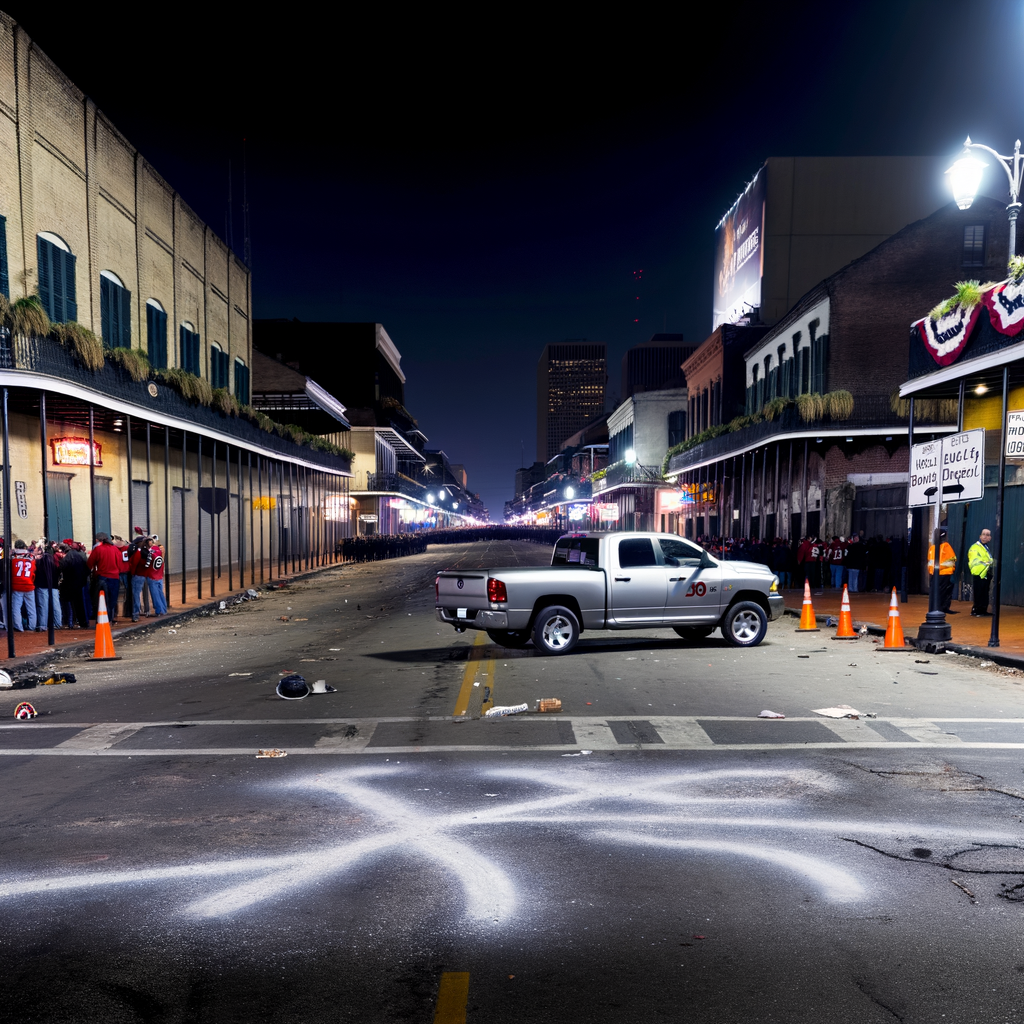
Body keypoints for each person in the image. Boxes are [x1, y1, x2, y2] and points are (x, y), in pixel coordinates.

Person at [87, 533, 123, 623]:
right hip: (114, 577)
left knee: (100, 600)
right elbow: (120, 564)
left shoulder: (98, 549)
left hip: (102, 577)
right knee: (112, 600)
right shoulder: (115, 549)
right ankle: (110, 619)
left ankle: (100, 619)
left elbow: (89, 563)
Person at [58, 542, 89, 629]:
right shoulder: (81, 556)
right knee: (80, 604)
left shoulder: (68, 557)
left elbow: (62, 567)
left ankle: (70, 623)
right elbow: (87, 569)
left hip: (70, 583)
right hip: (79, 583)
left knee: (68, 603)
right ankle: (83, 622)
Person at [927, 528, 957, 614]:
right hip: (944, 573)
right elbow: (952, 560)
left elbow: (930, 562)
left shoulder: (932, 548)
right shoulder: (946, 546)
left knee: (934, 592)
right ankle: (941, 608)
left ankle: (934, 608)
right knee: (944, 592)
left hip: (934, 573)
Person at [35, 541, 62, 631]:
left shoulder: (39, 563)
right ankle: (58, 623)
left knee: (43, 606)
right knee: (55, 606)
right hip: (53, 587)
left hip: (42, 586)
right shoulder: (55, 564)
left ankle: (42, 625)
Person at [10, 539, 37, 631]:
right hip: (29, 584)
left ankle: (18, 627)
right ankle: (32, 627)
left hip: (17, 585)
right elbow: (34, 570)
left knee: (16, 608)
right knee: (31, 608)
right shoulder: (31, 557)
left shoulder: (12, 557)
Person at [969, 528, 995, 617]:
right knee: (979, 593)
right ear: (980, 536)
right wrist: (988, 563)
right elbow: (976, 561)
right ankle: (977, 610)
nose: (985, 536)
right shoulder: (975, 547)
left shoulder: (985, 547)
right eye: (984, 534)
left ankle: (982, 610)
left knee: (984, 593)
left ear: (990, 538)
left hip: (985, 573)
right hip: (979, 573)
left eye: (987, 535)